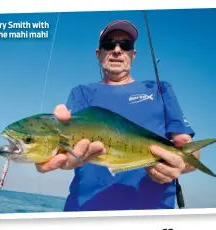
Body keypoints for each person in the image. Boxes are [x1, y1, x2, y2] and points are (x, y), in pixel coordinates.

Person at [36, 20, 200, 211]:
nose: (116, 50)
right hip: (84, 211)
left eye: (125, 45)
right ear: (99, 54)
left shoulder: (160, 89)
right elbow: (66, 141)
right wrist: (48, 153)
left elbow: (188, 148)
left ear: (133, 54)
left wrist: (182, 164)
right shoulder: (81, 92)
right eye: (108, 45)